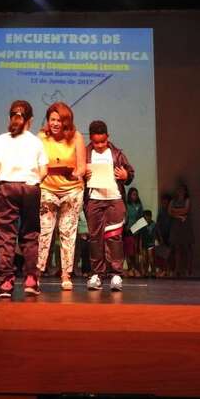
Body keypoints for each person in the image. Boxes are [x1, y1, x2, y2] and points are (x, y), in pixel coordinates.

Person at [0, 100, 48, 298]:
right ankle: (31, 280)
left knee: (5, 235)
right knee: (30, 234)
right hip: (30, 189)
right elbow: (44, 170)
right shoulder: (36, 141)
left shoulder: (3, 139)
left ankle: (6, 283)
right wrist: (34, 182)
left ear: (10, 117)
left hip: (7, 189)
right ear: (30, 120)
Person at [36, 102, 86, 290]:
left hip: (71, 191)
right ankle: (37, 273)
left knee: (67, 233)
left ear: (66, 121)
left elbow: (82, 167)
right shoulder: (41, 137)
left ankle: (66, 274)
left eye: (59, 120)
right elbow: (36, 163)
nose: (55, 123)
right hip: (47, 189)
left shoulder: (76, 136)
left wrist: (74, 174)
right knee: (44, 232)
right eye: (52, 119)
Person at [84, 120, 134, 292]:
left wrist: (126, 175)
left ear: (108, 137)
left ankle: (116, 274)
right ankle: (97, 274)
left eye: (103, 142)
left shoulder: (117, 154)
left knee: (114, 237)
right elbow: (77, 174)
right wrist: (83, 174)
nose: (99, 145)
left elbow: (130, 173)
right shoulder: (85, 153)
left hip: (114, 199)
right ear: (91, 139)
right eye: (96, 142)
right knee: (95, 238)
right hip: (94, 199)